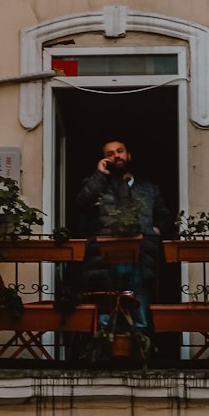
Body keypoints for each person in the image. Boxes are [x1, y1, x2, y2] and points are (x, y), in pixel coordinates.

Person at [75, 139, 173, 330]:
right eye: (110, 153)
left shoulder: (149, 188)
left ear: (129, 155)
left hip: (140, 258)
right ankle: (103, 352)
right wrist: (99, 175)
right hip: (103, 259)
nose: (116, 156)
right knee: (105, 315)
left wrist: (155, 230)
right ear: (104, 159)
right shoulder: (96, 184)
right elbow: (82, 203)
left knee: (140, 314)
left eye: (120, 151)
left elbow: (165, 216)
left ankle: (141, 353)